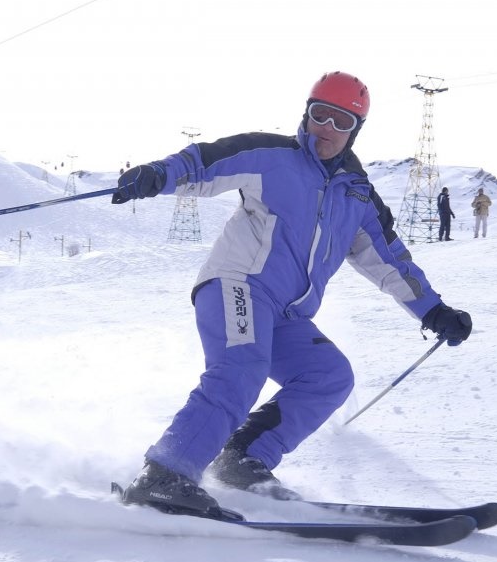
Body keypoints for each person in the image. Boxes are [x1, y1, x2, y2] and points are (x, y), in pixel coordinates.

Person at [111, 72, 473, 518]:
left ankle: (242, 458)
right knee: (242, 365)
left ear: (356, 130)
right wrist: (156, 176)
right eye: (320, 114)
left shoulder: (358, 196)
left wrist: (434, 311)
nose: (327, 128)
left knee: (329, 376)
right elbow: (204, 162)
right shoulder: (272, 156)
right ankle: (165, 475)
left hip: (287, 313)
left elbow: (390, 261)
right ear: (306, 113)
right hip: (237, 284)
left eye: (341, 121)